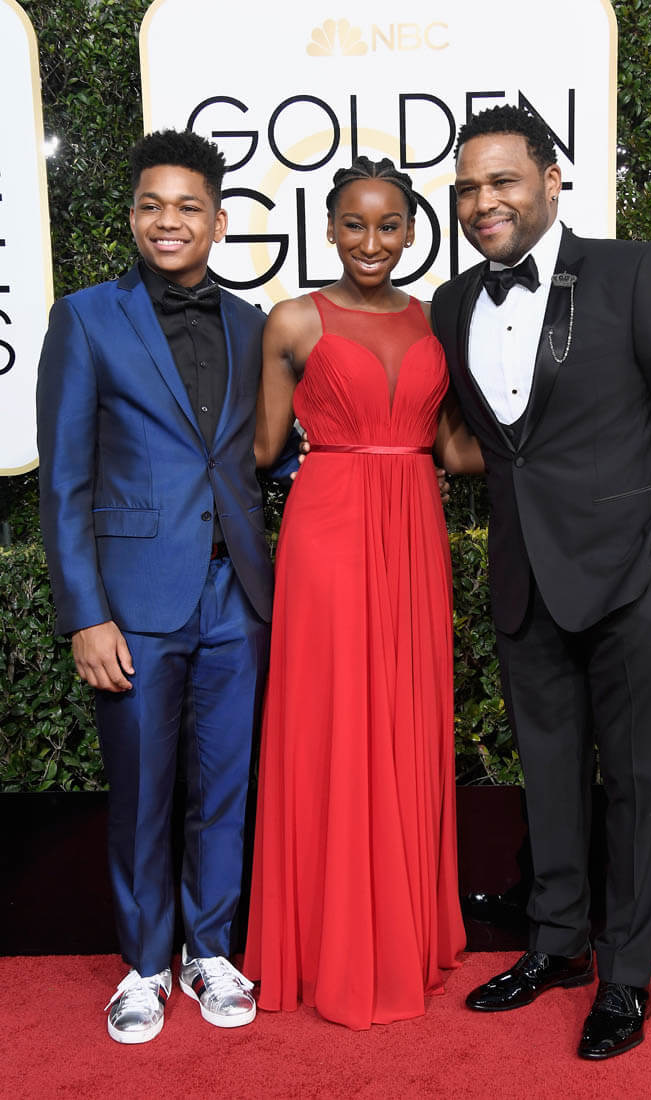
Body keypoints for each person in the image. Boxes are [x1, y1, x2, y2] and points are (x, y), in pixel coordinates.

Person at [430, 105, 651, 1059]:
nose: (483, 202)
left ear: (551, 181)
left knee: (636, 787)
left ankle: (625, 976)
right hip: (525, 580)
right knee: (549, 778)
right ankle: (555, 945)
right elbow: (491, 445)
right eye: (467, 188)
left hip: (632, 578)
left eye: (502, 181)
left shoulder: (635, 272)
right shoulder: (450, 303)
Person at [37, 130, 296, 1044]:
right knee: (144, 793)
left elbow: (265, 453)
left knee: (224, 791)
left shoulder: (254, 323)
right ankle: (146, 964)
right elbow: (64, 480)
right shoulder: (85, 318)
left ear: (218, 222)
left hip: (240, 596)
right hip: (136, 603)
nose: (168, 221)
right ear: (132, 216)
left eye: (188, 206)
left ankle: (210, 950)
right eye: (152, 205)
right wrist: (86, 614)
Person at [243, 156, 481, 1030]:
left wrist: (567, 437)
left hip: (414, 529)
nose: (370, 241)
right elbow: (261, 448)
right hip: (329, 530)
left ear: (411, 232)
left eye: (387, 225)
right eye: (353, 224)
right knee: (336, 718)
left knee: (404, 718)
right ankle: (328, 940)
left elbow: (453, 449)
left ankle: (400, 931)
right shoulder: (292, 320)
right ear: (329, 228)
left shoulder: (437, 321)